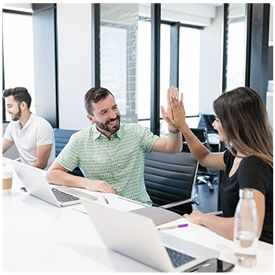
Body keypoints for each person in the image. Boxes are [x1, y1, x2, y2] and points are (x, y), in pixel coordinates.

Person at [165, 87, 274, 245]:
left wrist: (203, 218)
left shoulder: (253, 165)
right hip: (235, 245)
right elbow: (205, 157)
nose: (214, 125)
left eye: (217, 119)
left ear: (235, 123)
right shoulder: (237, 154)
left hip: (258, 255)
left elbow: (249, 229)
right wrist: (183, 127)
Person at [46, 86, 183, 205]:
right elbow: (52, 174)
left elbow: (173, 148)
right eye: (104, 112)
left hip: (137, 209)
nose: (113, 115)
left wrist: (173, 126)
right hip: (102, 208)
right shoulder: (80, 140)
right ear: (91, 119)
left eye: (114, 107)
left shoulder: (136, 132)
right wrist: (89, 183)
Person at [2, 87, 55, 170]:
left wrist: (19, 172)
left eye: (10, 106)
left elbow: (41, 164)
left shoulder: (42, 126)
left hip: (43, 174)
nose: (7, 110)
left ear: (23, 105)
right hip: (26, 171)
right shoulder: (13, 125)